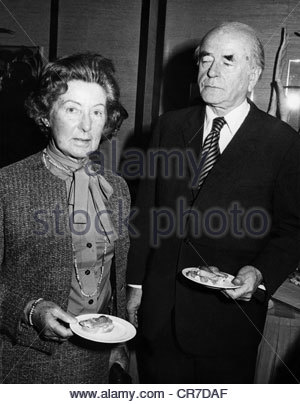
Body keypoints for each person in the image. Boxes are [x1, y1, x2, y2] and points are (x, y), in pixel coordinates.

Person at [126, 22, 300, 383]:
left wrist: (260, 272)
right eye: (206, 59)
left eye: (228, 60)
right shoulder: (168, 127)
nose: (212, 70)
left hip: (229, 323)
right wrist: (135, 285)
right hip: (161, 317)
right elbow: (146, 212)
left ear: (253, 74)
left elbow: (293, 229)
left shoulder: (282, 143)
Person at [0, 52, 131, 383]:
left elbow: (113, 278)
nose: (86, 126)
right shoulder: (7, 185)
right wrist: (31, 310)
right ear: (46, 114)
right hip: (27, 363)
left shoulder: (117, 188)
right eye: (72, 109)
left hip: (96, 360)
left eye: (97, 112)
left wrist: (118, 346)